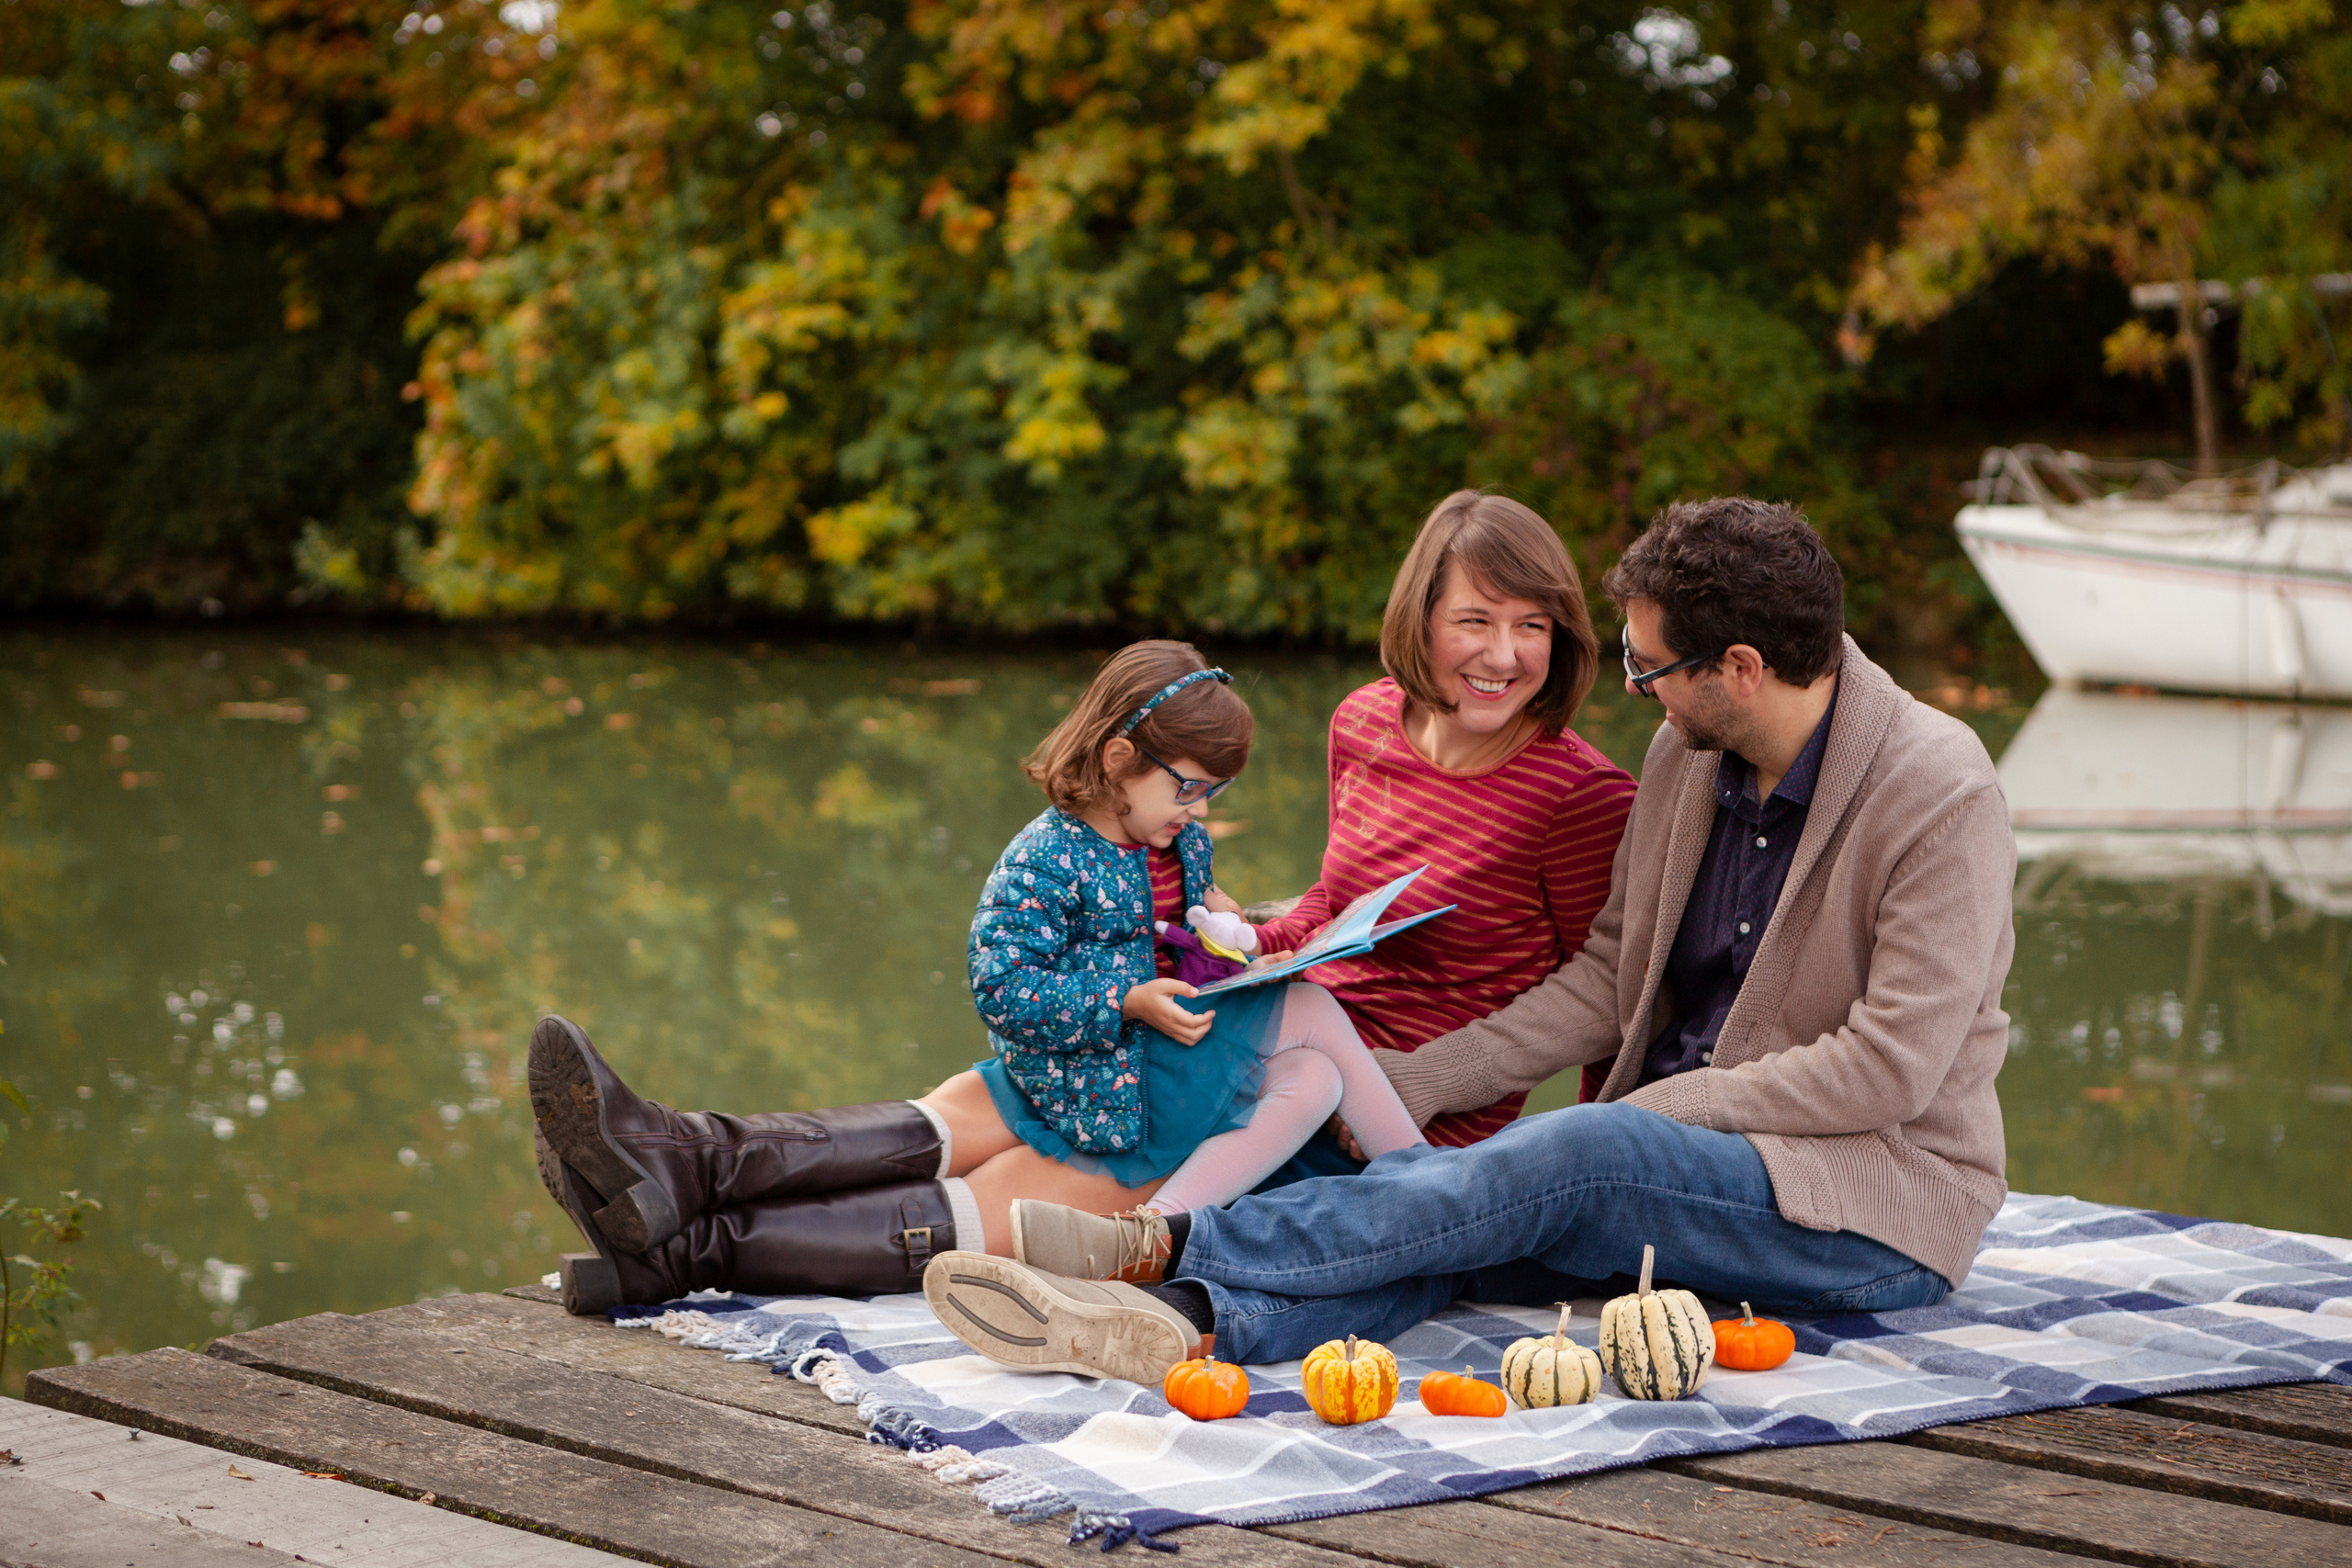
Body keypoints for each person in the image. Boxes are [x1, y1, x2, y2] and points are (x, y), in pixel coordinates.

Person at [923, 496, 2019, 1386]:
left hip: (1863, 1204)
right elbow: (1605, 979)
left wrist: (1640, 1120)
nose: (1632, 692)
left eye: (1647, 670)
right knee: (1461, 1220)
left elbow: (1891, 1065)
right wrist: (1428, 1076)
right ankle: (1180, 1320)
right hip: (1674, 1164)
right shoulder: (1693, 761)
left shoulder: (1934, 790)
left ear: (1734, 668)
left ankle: (1164, 1245)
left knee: (1574, 1155)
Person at [534, 640, 1427, 1313]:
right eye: (1190, 788)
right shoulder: (1043, 861)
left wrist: (1249, 938)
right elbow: (1003, 988)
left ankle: (668, 1245)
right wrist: (1124, 997)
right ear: (1119, 761)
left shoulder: (1175, 837)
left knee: (1302, 1036)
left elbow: (1197, 904)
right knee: (939, 1157)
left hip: (1128, 1088)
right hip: (1086, 1082)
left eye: (1210, 795)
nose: (1200, 812)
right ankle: (674, 1167)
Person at [1235, 490, 1636, 1151]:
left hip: (1406, 1131)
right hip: (1290, 1048)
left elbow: (1606, 994)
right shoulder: (1361, 719)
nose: (1503, 656)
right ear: (1420, 620)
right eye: (1474, 621)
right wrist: (1258, 946)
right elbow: (1338, 899)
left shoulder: (1580, 795)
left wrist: (1587, 1148)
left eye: (1532, 626)